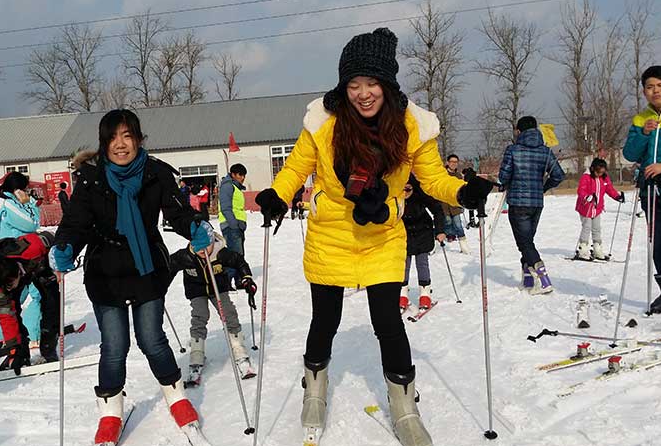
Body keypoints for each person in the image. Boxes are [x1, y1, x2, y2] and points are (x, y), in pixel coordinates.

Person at [254, 28, 493, 446]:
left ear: (387, 83)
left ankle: (404, 405)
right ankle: (315, 390)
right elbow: (295, 168)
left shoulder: (412, 127)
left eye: (371, 83)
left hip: (382, 235)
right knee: (325, 320)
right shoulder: (324, 123)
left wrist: (462, 192)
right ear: (343, 86)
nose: (363, 94)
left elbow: (433, 179)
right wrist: (278, 194)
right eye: (354, 84)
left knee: (387, 321)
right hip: (331, 233)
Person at [50, 109, 207, 445]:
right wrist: (65, 246)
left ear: (138, 139)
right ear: (103, 143)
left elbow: (177, 212)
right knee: (114, 345)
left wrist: (194, 226)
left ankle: (176, 397)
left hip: (146, 267)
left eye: (127, 136)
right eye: (112, 138)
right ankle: (110, 412)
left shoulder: (156, 173)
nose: (120, 145)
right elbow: (76, 223)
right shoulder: (91, 178)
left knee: (152, 339)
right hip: (105, 272)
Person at [168, 230, 258, 384]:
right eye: (198, 247)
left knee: (228, 312)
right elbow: (168, 267)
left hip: (218, 288)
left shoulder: (220, 253)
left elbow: (239, 261)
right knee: (199, 315)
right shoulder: (185, 256)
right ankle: (197, 353)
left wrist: (246, 278)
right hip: (196, 290)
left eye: (206, 246)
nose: (203, 251)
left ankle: (238, 348)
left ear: (212, 242)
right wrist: (159, 285)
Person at [498, 115, 565, 294]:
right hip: (536, 203)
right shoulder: (546, 151)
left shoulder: (513, 150)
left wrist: (506, 182)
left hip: (518, 202)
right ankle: (528, 278)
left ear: (519, 131)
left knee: (525, 243)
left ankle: (543, 280)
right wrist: (543, 187)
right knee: (528, 241)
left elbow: (503, 176)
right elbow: (558, 175)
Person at [623, 65, 661, 313]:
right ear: (644, 92)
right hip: (651, 192)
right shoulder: (640, 119)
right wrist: (643, 133)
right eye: (650, 87)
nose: (655, 91)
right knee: (658, 245)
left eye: (660, 85)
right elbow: (630, 154)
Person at [0, 172, 43, 351]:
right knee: (37, 294)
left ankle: (1, 336)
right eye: (25, 188)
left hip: (9, 256)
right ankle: (32, 334)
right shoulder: (9, 203)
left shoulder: (1, 202)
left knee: (13, 299)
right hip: (21, 257)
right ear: (18, 189)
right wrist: (30, 204)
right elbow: (31, 224)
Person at [0, 231, 60, 369]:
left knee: (52, 302)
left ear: (18, 273)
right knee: (10, 310)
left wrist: (60, 260)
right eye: (6, 287)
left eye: (10, 285)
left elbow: (53, 239)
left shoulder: (33, 248)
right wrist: (13, 347)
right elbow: (6, 316)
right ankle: (21, 354)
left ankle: (48, 348)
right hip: (7, 268)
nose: (9, 289)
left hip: (40, 264)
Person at [401, 175, 446, 310]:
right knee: (403, 265)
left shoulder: (421, 195)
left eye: (408, 189)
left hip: (422, 232)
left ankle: (425, 294)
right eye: (402, 189)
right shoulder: (396, 196)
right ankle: (402, 294)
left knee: (422, 263)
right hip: (404, 234)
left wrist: (440, 230)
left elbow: (437, 210)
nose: (405, 192)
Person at [574, 158, 625, 261]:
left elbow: (609, 189)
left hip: (597, 208)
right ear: (593, 169)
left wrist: (617, 197)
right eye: (598, 172)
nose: (600, 174)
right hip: (586, 208)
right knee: (587, 227)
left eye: (602, 172)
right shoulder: (586, 177)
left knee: (597, 228)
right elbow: (581, 190)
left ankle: (597, 248)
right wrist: (586, 197)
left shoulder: (604, 178)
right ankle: (583, 249)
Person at [218, 163, 248, 288]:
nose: (243, 178)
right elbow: (225, 208)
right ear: (233, 174)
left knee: (239, 254)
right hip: (231, 226)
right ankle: (226, 282)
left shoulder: (236, 187)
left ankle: (238, 280)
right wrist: (234, 224)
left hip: (237, 225)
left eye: (244, 175)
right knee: (233, 255)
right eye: (240, 175)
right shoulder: (228, 186)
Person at [441, 154, 470, 254]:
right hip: (444, 203)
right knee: (447, 221)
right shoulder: (443, 174)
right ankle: (448, 237)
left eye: (455, 162)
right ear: (447, 163)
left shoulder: (458, 176)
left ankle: (464, 246)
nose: (453, 164)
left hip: (455, 204)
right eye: (452, 162)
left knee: (458, 224)